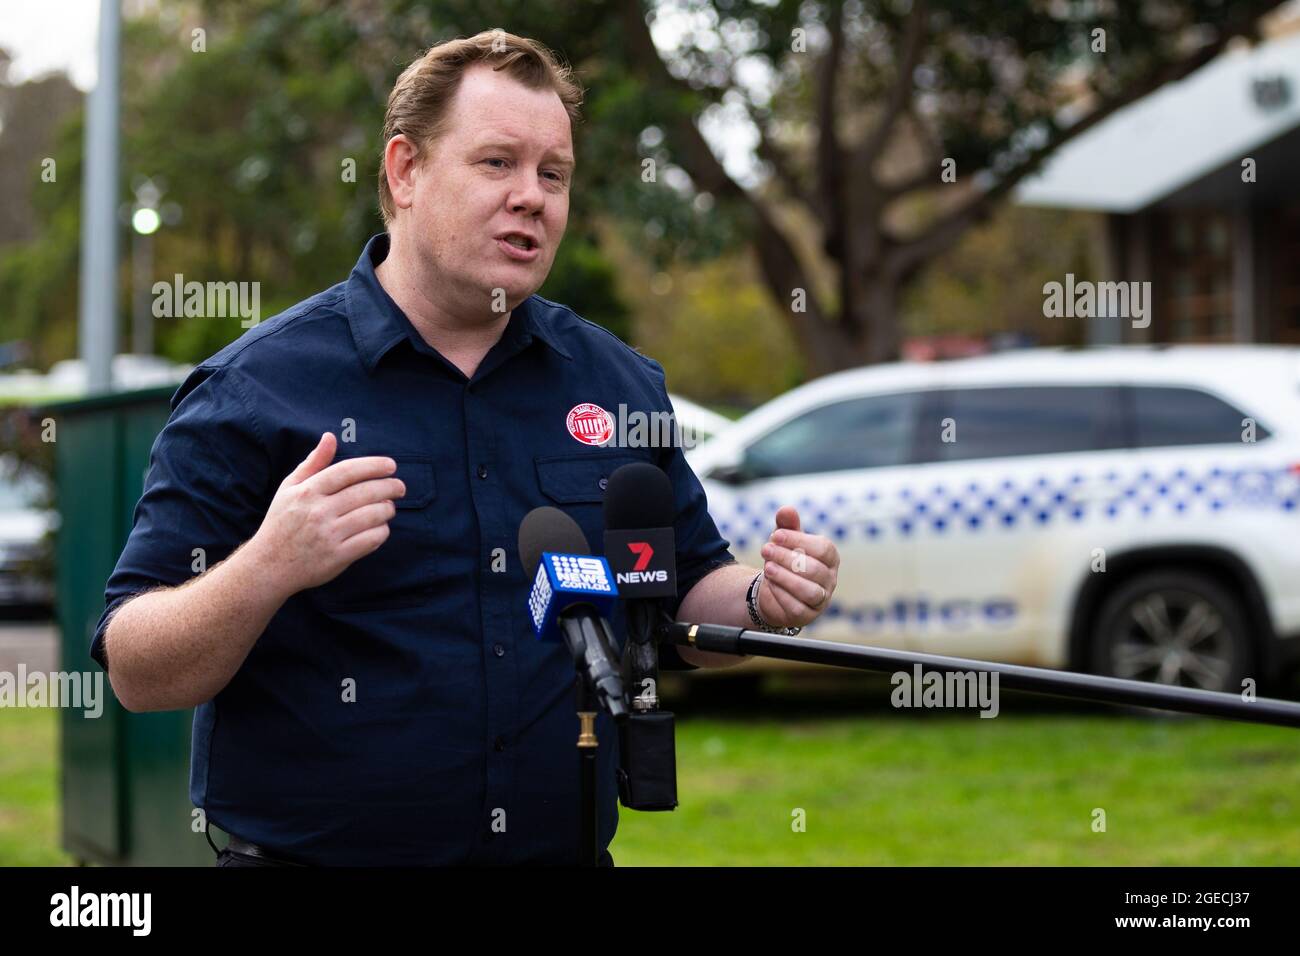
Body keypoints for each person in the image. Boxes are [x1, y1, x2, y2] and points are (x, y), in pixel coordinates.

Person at [91, 29, 840, 866]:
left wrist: (762, 601)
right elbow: (138, 667)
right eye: (497, 163)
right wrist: (270, 563)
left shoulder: (618, 384)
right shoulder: (255, 391)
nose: (533, 197)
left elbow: (680, 584)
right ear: (404, 170)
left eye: (553, 174)